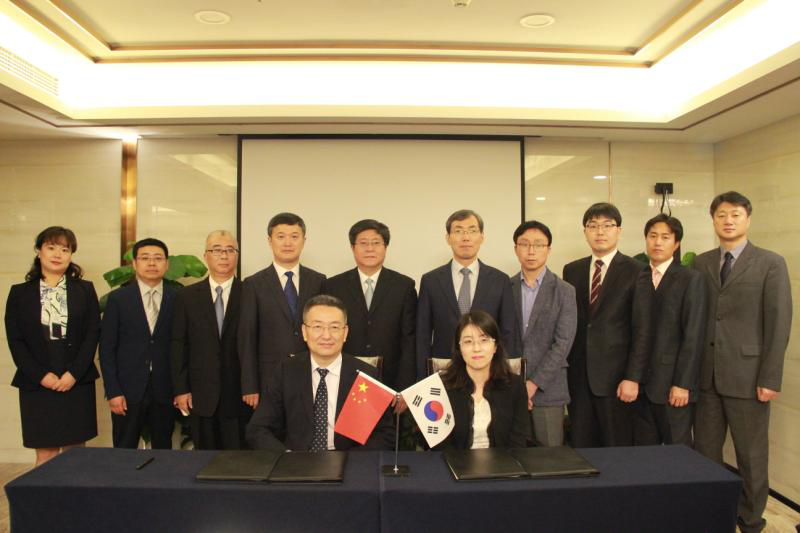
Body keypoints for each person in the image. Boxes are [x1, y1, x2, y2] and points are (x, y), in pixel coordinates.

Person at [693, 192, 792, 533]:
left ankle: (750, 519)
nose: (728, 221)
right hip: (707, 377)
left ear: (748, 219)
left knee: (751, 455)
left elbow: (779, 324)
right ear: (713, 220)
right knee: (705, 453)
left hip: (750, 377)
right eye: (721, 215)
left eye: (735, 214)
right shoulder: (701, 263)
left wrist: (770, 378)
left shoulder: (770, 263)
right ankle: (711, 513)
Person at [246, 295, 394, 452]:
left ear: (345, 333)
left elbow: (385, 435)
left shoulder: (366, 376)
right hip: (297, 459)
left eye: (334, 327)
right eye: (317, 327)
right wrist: (286, 457)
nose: (326, 336)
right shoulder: (286, 371)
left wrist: (349, 459)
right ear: (304, 332)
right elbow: (258, 429)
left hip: (348, 459)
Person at [5, 227, 100, 465]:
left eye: (65, 249)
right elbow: (16, 340)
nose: (58, 254)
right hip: (37, 382)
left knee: (75, 452)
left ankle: (73, 491)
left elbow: (92, 335)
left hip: (76, 380)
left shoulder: (85, 290)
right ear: (39, 252)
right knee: (45, 453)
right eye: (51, 248)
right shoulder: (19, 293)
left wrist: (73, 374)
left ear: (71, 255)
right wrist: (41, 376)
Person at [562, 203, 651, 447]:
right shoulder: (572, 270)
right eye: (592, 226)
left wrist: (633, 377)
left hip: (617, 380)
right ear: (585, 232)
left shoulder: (637, 271)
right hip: (579, 377)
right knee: (581, 447)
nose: (599, 232)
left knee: (616, 448)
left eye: (607, 225)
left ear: (618, 231)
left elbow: (643, 330)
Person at [170, 230, 251, 450]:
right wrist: (181, 389)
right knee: (204, 459)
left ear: (237, 255)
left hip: (240, 395)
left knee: (239, 460)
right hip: (200, 394)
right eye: (217, 250)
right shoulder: (186, 296)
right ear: (206, 255)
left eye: (230, 250)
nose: (223, 255)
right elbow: (179, 344)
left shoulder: (250, 293)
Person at [238, 213, 326, 410]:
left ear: (304, 241)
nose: (288, 243)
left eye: (294, 236)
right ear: (270, 241)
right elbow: (247, 336)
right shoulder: (253, 284)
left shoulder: (318, 281)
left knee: (308, 428)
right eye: (281, 236)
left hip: (311, 374)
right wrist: (250, 385)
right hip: (268, 378)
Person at [416, 209, 518, 379]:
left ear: (482, 237)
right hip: (443, 372)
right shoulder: (430, 281)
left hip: (488, 372)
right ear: (448, 238)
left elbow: (508, 333)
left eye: (472, 231)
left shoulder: (500, 280)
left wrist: (503, 375)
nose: (465, 237)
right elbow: (423, 335)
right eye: (458, 231)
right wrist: (423, 380)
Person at [633, 214, 706, 447]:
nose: (657, 242)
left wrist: (683, 384)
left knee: (678, 454)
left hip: (674, 386)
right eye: (652, 236)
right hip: (640, 387)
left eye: (665, 237)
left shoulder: (690, 279)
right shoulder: (638, 277)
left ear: (676, 244)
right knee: (644, 455)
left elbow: (693, 335)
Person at [99, 238, 176, 449]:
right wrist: (113, 391)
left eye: (158, 258)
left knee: (164, 450)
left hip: (165, 389)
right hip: (127, 389)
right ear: (134, 263)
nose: (152, 263)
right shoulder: (118, 299)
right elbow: (107, 349)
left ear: (167, 264)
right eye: (145, 258)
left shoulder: (178, 298)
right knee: (124, 449)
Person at [323, 219, 417, 391]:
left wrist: (405, 386)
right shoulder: (333, 286)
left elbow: (409, 339)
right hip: (342, 375)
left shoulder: (404, 286)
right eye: (363, 243)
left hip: (390, 378)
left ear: (385, 247)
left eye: (376, 243)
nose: (370, 248)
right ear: (353, 248)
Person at [510, 221, 577, 447]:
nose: (531, 251)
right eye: (525, 244)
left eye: (538, 245)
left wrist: (533, 384)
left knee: (550, 458)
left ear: (548, 250)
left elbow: (562, 344)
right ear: (516, 249)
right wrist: (516, 385)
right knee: (510, 455)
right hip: (509, 389)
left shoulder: (565, 291)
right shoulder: (504, 287)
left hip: (549, 389)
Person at [436, 310, 529, 450]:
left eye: (484, 340)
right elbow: (440, 448)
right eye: (468, 341)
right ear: (459, 348)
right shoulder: (442, 387)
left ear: (495, 347)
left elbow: (518, 444)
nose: (476, 348)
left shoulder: (515, 386)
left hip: (504, 462)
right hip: (455, 463)